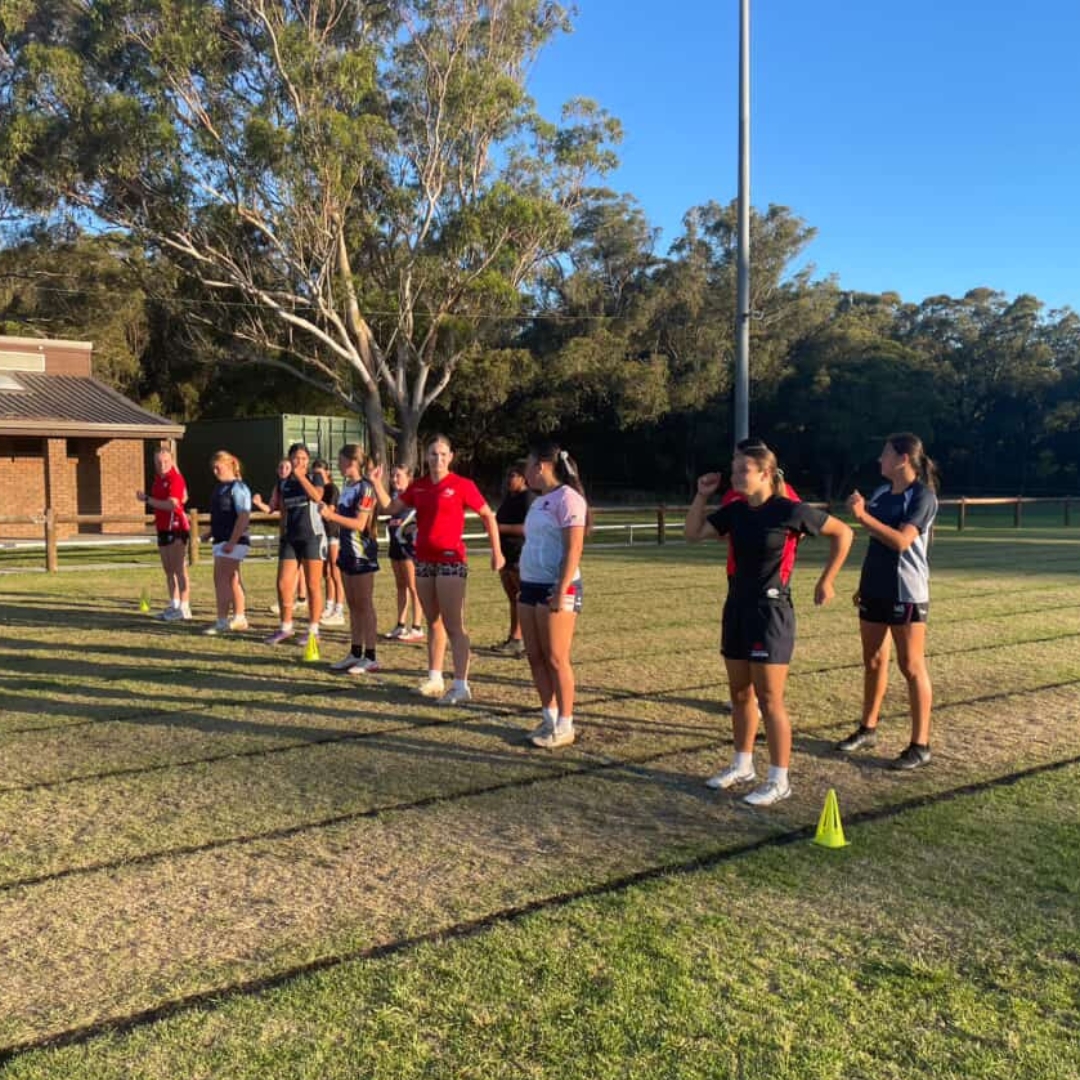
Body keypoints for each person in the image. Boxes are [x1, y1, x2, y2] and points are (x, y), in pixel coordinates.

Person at [685, 438, 853, 807]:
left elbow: (844, 532)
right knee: (740, 694)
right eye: (733, 469)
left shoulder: (789, 510)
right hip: (736, 608)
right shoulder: (735, 510)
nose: (735, 476)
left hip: (771, 613)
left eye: (742, 470)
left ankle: (779, 780)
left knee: (770, 699)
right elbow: (693, 533)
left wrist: (827, 581)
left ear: (765, 473)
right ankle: (742, 765)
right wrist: (701, 495)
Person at [370, 435, 505, 705]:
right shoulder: (418, 486)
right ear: (426, 456)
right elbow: (389, 507)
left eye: (443, 454)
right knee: (433, 621)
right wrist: (375, 482)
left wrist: (497, 551)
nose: (438, 459)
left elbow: (487, 515)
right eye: (433, 454)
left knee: (454, 624)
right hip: (423, 560)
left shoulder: (462, 485)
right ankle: (434, 678)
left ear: (451, 457)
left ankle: (461, 684)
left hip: (450, 560)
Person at [836, 432, 939, 769]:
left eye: (885, 454)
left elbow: (901, 542)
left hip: (906, 592)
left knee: (911, 665)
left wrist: (862, 516)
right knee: (873, 661)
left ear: (903, 459)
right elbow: (877, 542)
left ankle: (920, 745)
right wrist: (864, 584)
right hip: (875, 588)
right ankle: (868, 729)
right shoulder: (881, 493)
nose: (880, 459)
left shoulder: (922, 497)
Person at [518, 442, 589, 750]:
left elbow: (574, 548)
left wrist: (560, 590)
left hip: (557, 587)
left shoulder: (569, 499)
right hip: (530, 585)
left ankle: (565, 724)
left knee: (556, 658)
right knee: (535, 656)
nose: (525, 471)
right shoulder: (538, 501)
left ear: (542, 466)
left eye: (528, 464)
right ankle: (549, 717)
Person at [320, 445, 381, 673]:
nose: (337, 464)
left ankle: (371, 656)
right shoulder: (348, 487)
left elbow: (360, 524)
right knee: (353, 604)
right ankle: (355, 652)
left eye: (340, 460)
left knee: (365, 604)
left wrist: (331, 515)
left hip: (361, 553)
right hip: (346, 551)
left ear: (352, 462)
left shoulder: (366, 488)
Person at [264, 443, 326, 648]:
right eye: (296, 458)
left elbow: (317, 496)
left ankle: (313, 630)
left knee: (312, 585)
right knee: (283, 583)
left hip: (312, 537)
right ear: (290, 459)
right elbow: (283, 510)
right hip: (290, 538)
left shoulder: (315, 477)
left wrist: (301, 476)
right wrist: (283, 532)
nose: (300, 461)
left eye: (304, 458)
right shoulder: (284, 483)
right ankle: (286, 627)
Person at [137, 445, 192, 621]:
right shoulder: (158, 480)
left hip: (176, 527)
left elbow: (172, 504)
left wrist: (147, 499)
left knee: (179, 569)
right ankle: (174, 605)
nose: (162, 465)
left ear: (172, 461)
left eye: (166, 461)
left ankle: (184, 607)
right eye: (159, 462)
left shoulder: (175, 478)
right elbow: (183, 497)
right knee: (168, 570)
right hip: (162, 528)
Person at [201, 450, 252, 635]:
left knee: (221, 578)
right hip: (221, 539)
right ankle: (239, 618)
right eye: (213, 468)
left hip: (234, 541)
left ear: (229, 465)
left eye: (218, 467)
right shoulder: (219, 488)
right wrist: (210, 533)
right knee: (231, 579)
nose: (215, 471)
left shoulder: (238, 488)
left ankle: (222, 620)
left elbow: (243, 516)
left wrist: (232, 541)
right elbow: (222, 516)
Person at [491, 461, 534, 657]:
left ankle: (527, 640)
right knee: (513, 599)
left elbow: (528, 527)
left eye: (513, 476)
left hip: (520, 554)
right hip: (505, 555)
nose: (508, 480)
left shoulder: (528, 498)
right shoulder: (509, 497)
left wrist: (499, 528)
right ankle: (515, 638)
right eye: (507, 476)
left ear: (523, 478)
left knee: (523, 599)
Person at [254, 458, 308, 613]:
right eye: (280, 467)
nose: (283, 470)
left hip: (301, 531)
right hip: (286, 531)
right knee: (296, 568)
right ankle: (300, 599)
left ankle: (292, 600)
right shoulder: (278, 486)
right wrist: (258, 503)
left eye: (287, 467)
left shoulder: (299, 483)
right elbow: (271, 509)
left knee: (295, 569)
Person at [383, 464, 424, 642]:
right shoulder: (394, 498)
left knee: (413, 587)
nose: (394, 479)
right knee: (400, 586)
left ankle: (417, 627)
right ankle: (400, 625)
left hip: (409, 548)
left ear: (409, 478)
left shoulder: (414, 496)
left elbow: (422, 518)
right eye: (392, 476)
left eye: (398, 476)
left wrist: (414, 527)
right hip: (395, 546)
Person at [314, 457, 346, 628]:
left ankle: (339, 610)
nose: (317, 476)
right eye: (315, 473)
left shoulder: (331, 488)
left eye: (320, 473)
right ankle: (329, 605)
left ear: (327, 472)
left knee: (335, 570)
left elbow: (330, 511)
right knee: (326, 572)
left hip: (333, 533)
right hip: (322, 533)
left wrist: (318, 506)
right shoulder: (315, 489)